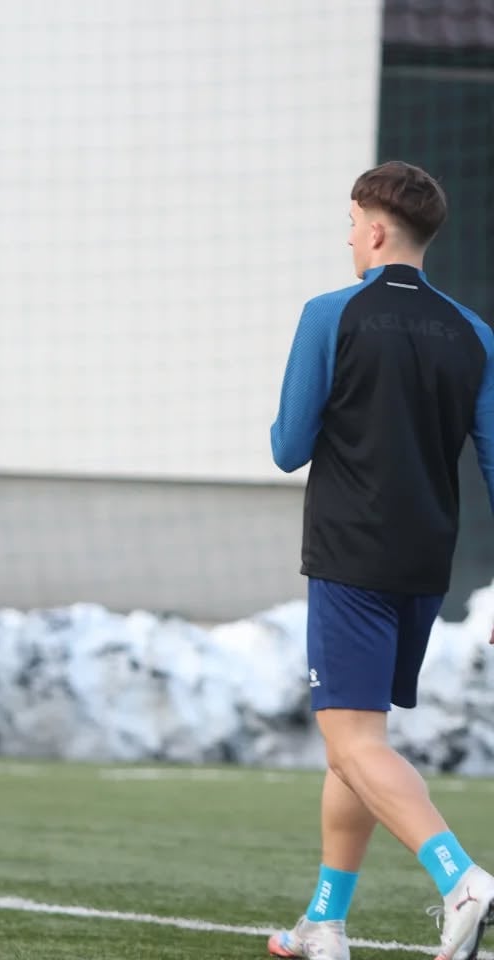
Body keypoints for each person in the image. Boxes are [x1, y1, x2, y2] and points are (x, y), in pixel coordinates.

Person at [267, 160, 494, 960]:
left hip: (350, 554)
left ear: (372, 229)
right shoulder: (475, 334)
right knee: (356, 742)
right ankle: (324, 924)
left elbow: (288, 447)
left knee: (354, 742)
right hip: (425, 564)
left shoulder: (329, 314)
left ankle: (461, 879)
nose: (348, 239)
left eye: (349, 224)